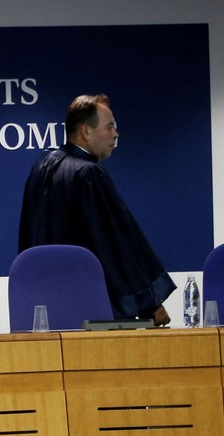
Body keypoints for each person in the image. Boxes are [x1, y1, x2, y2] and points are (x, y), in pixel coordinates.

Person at [18, 94, 175, 325]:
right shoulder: (88, 174)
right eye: (109, 127)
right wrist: (150, 301)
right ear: (86, 132)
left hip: (45, 303)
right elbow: (113, 243)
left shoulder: (42, 166)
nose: (115, 134)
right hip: (91, 306)